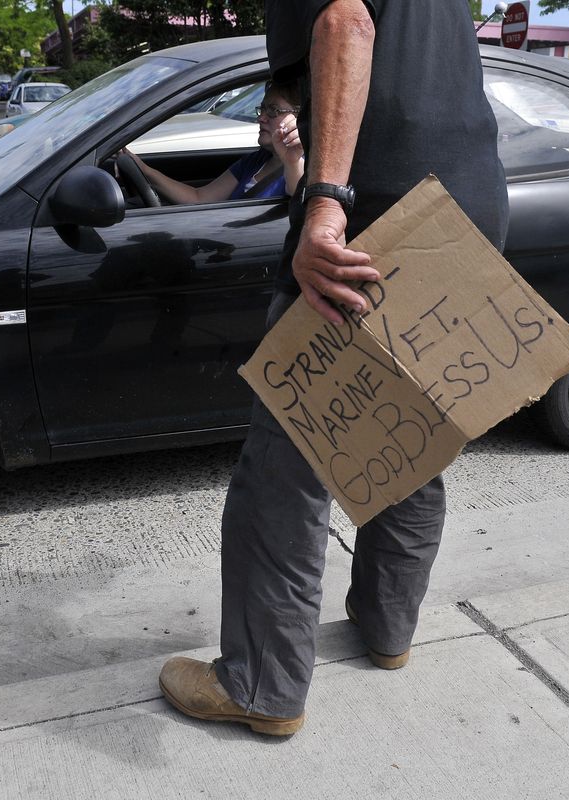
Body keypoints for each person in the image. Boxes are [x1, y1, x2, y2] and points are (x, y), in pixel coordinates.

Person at [158, 0, 509, 737]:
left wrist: (322, 204)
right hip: (468, 204)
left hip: (370, 215)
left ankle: (260, 684)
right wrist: (285, 99)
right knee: (410, 432)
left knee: (285, 464)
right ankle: (387, 629)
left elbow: (345, 24)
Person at [119, 81, 305, 204]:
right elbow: (199, 197)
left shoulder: (309, 165)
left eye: (273, 110)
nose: (261, 118)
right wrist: (143, 169)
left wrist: (291, 160)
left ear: (299, 116)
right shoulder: (255, 161)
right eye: (262, 109)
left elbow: (299, 196)